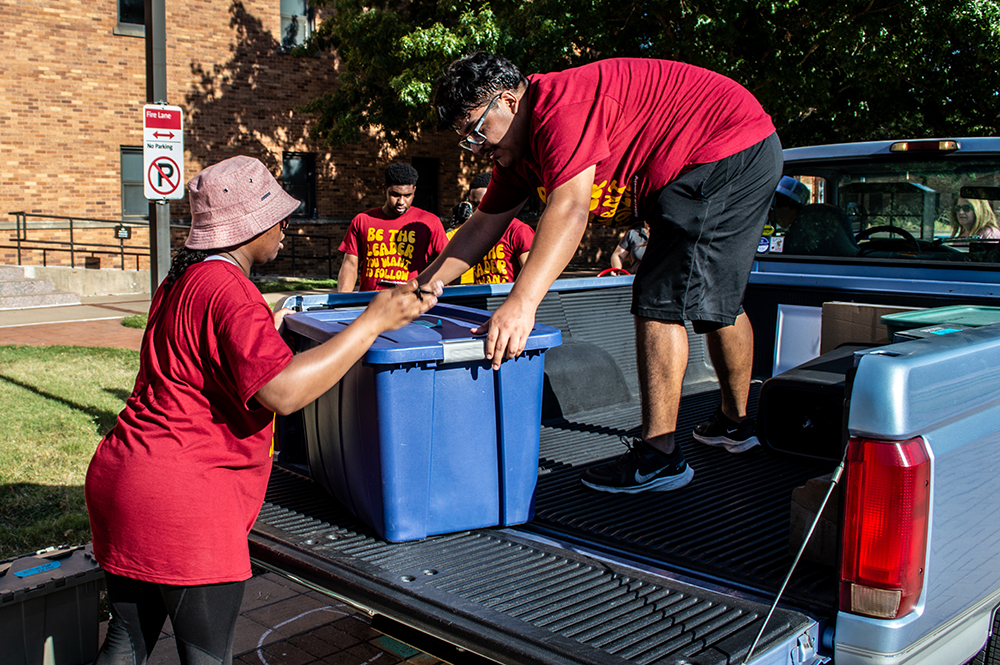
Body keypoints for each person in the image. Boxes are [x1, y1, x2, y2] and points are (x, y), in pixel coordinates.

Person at [85, 155, 442, 665]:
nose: (286, 225)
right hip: (184, 502)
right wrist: (372, 321)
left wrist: (265, 330)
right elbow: (282, 393)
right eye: (277, 213)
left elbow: (201, 364)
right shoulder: (231, 292)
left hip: (125, 479)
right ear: (248, 226)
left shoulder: (184, 279)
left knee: (125, 645)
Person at [422, 53, 782, 494]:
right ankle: (734, 424)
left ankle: (661, 457)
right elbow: (483, 224)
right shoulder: (517, 155)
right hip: (721, 153)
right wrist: (423, 286)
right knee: (710, 297)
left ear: (510, 101)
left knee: (657, 297)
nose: (477, 147)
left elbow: (570, 209)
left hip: (727, 146)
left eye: (478, 130)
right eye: (467, 140)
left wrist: (521, 302)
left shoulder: (559, 107)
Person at [337, 162, 448, 292]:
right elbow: (350, 264)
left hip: (410, 303)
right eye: (395, 195)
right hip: (371, 302)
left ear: (414, 191)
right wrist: (342, 302)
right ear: (384, 189)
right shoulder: (363, 220)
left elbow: (447, 262)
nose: (401, 202)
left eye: (407, 196)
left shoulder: (429, 222)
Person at [447, 171, 534, 284]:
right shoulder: (474, 233)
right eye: (474, 204)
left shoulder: (518, 230)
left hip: (506, 298)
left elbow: (532, 277)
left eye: (484, 203)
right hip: (480, 297)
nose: (479, 209)